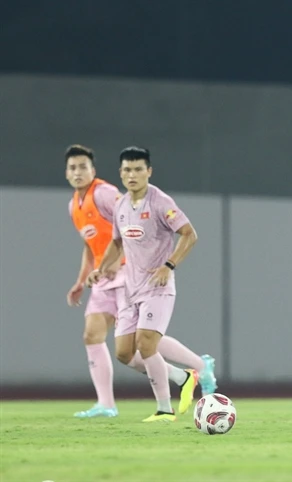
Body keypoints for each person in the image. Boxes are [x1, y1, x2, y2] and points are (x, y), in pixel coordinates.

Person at [66, 145, 216, 419]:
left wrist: (169, 265)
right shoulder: (122, 204)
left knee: (146, 345)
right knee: (124, 353)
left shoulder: (158, 201)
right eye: (127, 170)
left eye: (138, 169)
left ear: (149, 171)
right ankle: (185, 377)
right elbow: (115, 242)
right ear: (121, 174)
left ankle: (164, 409)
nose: (132, 175)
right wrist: (100, 268)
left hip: (156, 286)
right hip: (130, 288)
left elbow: (189, 234)